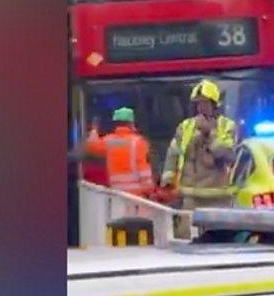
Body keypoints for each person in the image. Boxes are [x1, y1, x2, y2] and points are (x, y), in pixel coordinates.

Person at [160, 79, 237, 237]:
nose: (201, 108)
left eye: (205, 103)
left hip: (218, 197)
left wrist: (209, 134)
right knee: (185, 236)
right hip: (191, 197)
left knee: (220, 238)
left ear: (215, 105)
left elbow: (228, 155)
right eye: (198, 104)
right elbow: (173, 153)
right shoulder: (185, 126)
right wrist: (167, 180)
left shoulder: (227, 126)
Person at [85, 108, 155, 197]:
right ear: (131, 123)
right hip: (136, 198)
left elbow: (91, 146)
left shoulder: (109, 141)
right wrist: (150, 192)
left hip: (117, 195)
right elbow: (145, 174)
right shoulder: (138, 142)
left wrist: (94, 129)